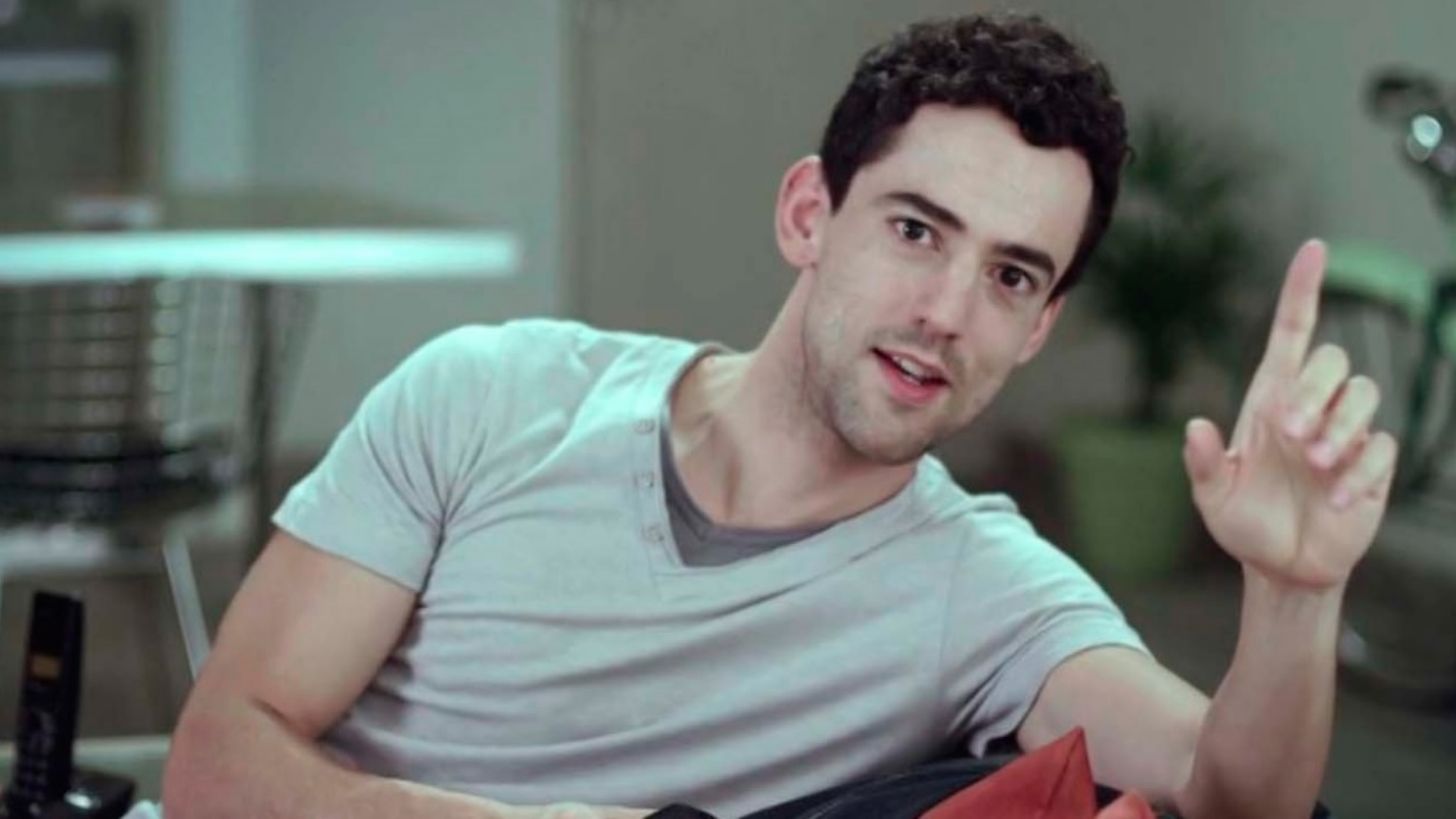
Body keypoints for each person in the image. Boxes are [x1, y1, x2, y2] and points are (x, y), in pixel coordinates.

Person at [161, 13, 1395, 819]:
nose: (947, 312)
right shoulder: (487, 394)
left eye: (1011, 277)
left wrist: (1295, 594)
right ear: (809, 215)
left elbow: (1230, 795)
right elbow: (216, 766)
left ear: (1036, 327)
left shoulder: (982, 591)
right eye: (915, 231)